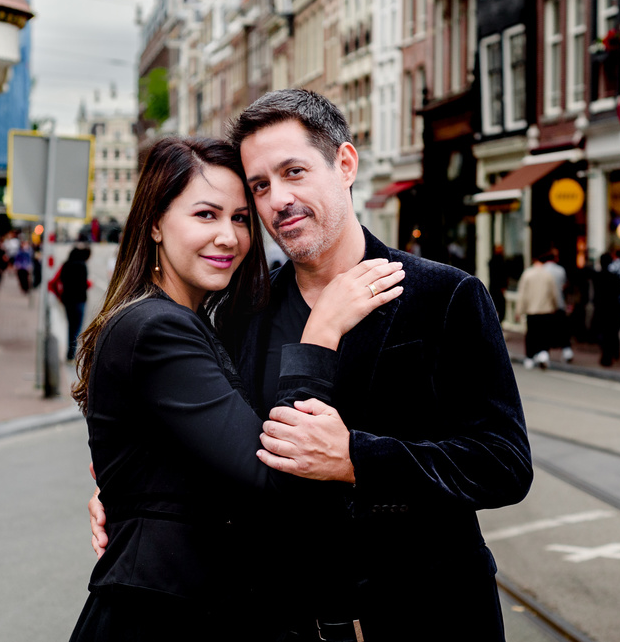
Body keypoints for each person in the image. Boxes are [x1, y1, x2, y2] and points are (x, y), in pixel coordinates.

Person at [89, 89, 533, 641]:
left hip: (428, 620)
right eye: (261, 186)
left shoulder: (443, 296)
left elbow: (504, 463)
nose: (279, 199)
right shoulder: (239, 314)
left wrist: (355, 460)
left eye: (294, 171)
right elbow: (221, 447)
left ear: (344, 164)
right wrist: (130, 495)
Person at [70, 137, 404, 640]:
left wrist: (127, 496)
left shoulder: (194, 320)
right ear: (156, 223)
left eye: (242, 218)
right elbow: (274, 478)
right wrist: (320, 333)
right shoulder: (157, 327)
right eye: (206, 215)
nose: (229, 236)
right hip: (158, 615)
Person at [516, 253, 563, 368]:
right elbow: (554, 294)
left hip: (532, 310)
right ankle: (543, 353)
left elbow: (522, 294)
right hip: (546, 309)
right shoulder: (548, 275)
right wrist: (556, 306)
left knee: (531, 334)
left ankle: (530, 358)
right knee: (544, 334)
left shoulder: (527, 274)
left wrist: (519, 310)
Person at [51, 246, 91, 362]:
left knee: (70, 326)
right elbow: (84, 284)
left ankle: (70, 353)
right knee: (77, 327)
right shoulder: (82, 265)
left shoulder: (66, 265)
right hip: (80, 300)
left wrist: (59, 296)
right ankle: (71, 354)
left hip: (68, 300)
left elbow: (56, 282)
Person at [542, 249, 574, 363]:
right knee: (562, 330)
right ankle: (566, 351)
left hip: (545, 306)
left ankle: (544, 352)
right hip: (559, 304)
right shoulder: (560, 270)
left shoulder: (542, 270)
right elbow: (564, 286)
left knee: (546, 331)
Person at [592, 253, 620, 366]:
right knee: (612, 333)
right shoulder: (614, 277)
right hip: (613, 309)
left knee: (603, 333)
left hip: (601, 309)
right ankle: (612, 353)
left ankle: (607, 355)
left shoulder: (597, 276)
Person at [487, 244, 508, 321]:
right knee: (499, 306)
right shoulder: (498, 262)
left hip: (495, 288)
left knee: (497, 306)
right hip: (497, 288)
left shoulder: (493, 261)